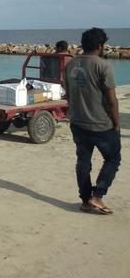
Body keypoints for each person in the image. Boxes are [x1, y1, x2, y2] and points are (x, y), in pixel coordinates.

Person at [65, 27, 120, 214]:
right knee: (113, 158)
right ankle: (97, 195)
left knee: (83, 162)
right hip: (100, 124)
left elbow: (68, 94)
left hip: (77, 122)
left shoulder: (70, 65)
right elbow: (112, 100)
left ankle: (85, 200)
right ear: (100, 45)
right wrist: (116, 123)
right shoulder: (103, 66)